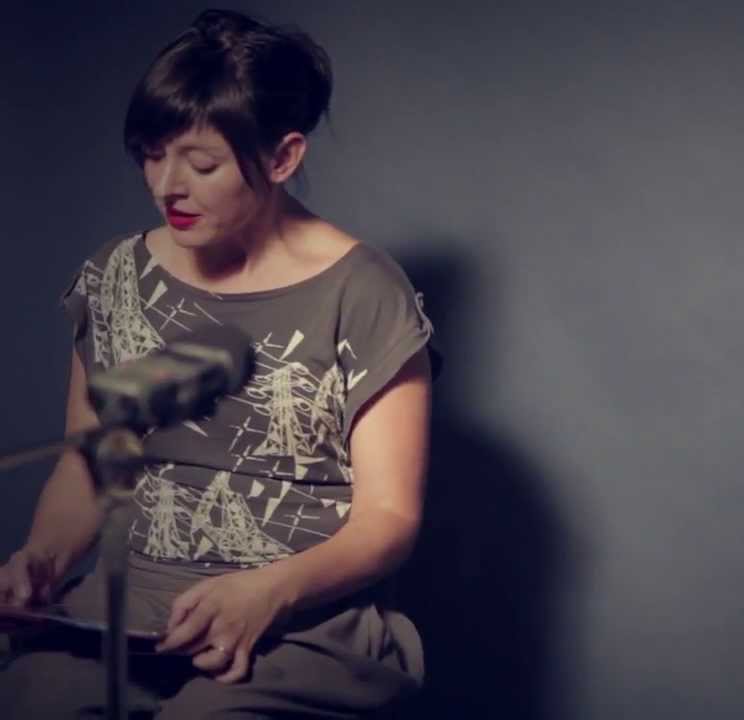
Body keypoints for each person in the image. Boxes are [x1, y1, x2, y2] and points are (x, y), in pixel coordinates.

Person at [0, 9, 434, 717]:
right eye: (151, 154)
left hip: (299, 617)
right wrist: (41, 561)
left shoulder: (364, 290)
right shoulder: (117, 275)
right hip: (131, 606)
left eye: (201, 164)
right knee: (32, 698)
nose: (166, 185)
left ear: (282, 158)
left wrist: (269, 591)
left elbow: (388, 517)